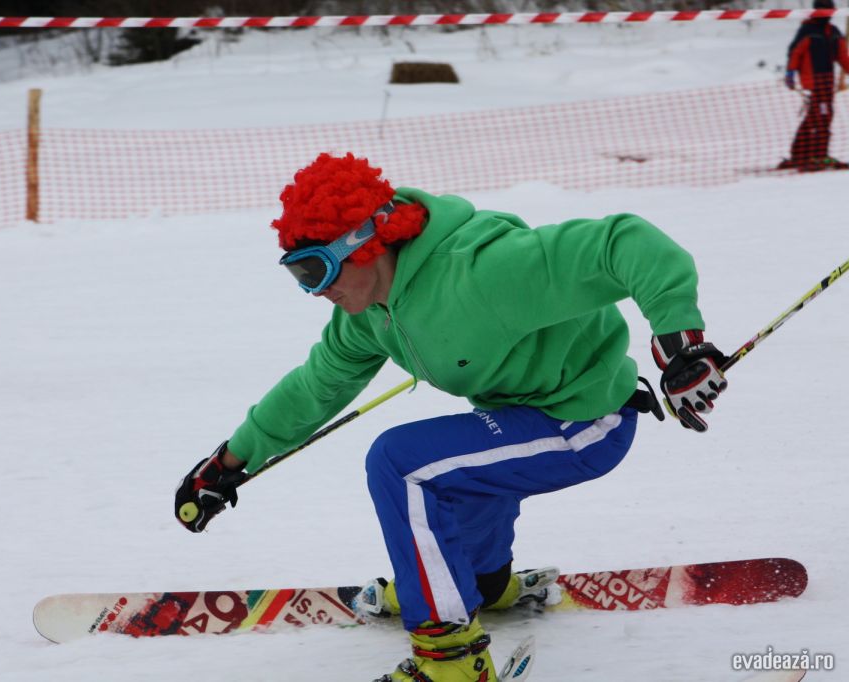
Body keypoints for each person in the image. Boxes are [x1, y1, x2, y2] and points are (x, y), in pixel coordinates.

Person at [174, 152, 729, 682]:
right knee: (450, 477)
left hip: (585, 420)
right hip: (520, 419)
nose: (315, 291)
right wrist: (229, 461)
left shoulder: (482, 272)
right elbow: (315, 386)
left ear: (366, 241)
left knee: (402, 463)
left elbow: (623, 243)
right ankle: (482, 584)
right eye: (298, 276)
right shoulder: (368, 314)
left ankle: (451, 656)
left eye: (317, 269)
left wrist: (681, 344)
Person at [780, 0, 849, 171]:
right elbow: (795, 52)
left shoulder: (833, 32)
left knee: (816, 117)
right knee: (822, 116)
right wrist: (790, 72)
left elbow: (842, 56)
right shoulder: (808, 31)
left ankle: (801, 154)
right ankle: (818, 156)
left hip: (827, 81)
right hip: (813, 81)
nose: (829, 13)